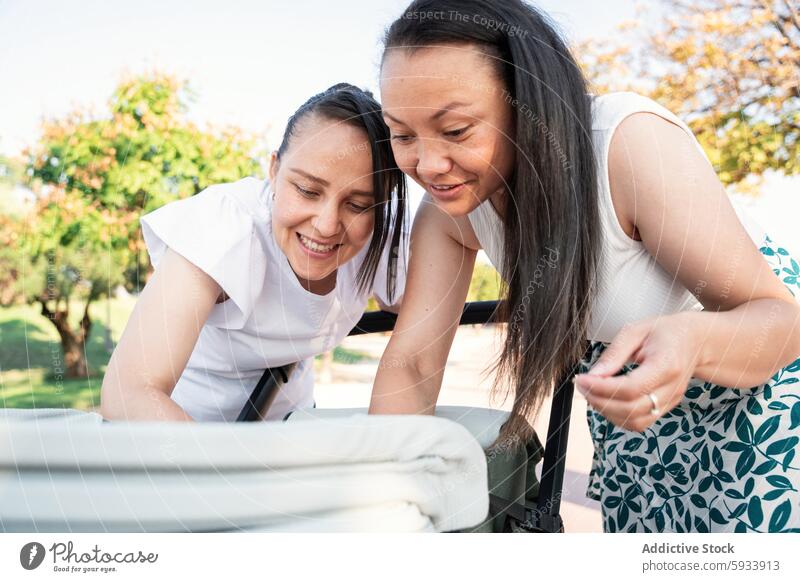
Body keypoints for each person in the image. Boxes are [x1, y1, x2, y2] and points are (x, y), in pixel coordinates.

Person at [369, 0, 800, 533]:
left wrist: (690, 342)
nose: (428, 165)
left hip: (761, 390)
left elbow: (780, 322)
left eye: (456, 130)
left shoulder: (624, 145)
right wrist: (378, 509)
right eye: (403, 134)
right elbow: (412, 364)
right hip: (638, 413)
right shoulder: (448, 214)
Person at [101, 83, 407, 423]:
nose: (327, 225)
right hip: (184, 438)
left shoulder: (377, 238)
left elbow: (411, 308)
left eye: (358, 204)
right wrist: (222, 470)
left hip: (292, 428)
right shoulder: (225, 227)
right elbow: (129, 393)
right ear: (274, 171)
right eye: (307, 190)